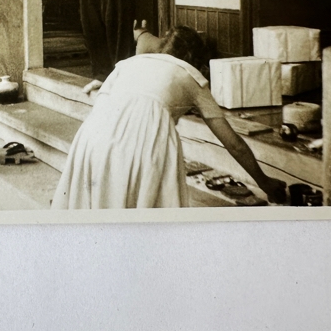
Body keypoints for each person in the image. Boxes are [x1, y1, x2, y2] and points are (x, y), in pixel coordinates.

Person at [51, 21, 287, 209]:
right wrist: (264, 182)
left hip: (92, 138)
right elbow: (233, 144)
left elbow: (106, 98)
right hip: (139, 142)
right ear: (194, 58)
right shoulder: (189, 75)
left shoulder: (129, 64)